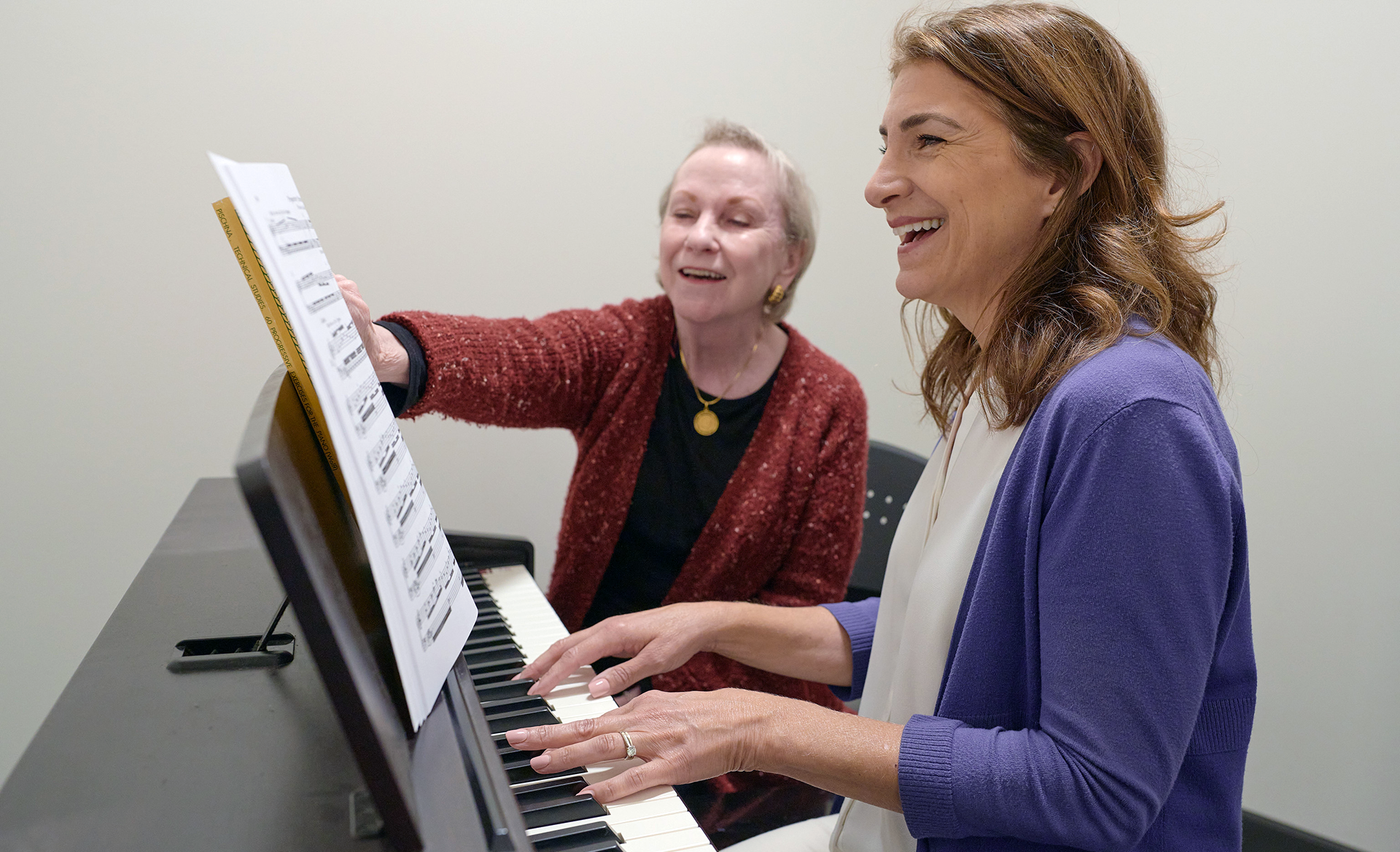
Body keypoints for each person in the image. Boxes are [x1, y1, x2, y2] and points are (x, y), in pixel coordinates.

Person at [506, 4, 1256, 851]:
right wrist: (710, 620)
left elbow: (1093, 791)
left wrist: (760, 727)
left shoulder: (1129, 416)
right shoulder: (1005, 377)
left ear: (1063, 173)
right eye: (886, 142)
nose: (878, 184)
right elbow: (931, 624)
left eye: (927, 141)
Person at [337, 121, 868, 845]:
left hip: (736, 748)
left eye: (736, 219)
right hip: (578, 691)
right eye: (683, 213)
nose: (700, 236)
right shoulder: (628, 344)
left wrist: (650, 701)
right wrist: (391, 351)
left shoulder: (830, 401)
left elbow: (801, 617)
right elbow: (518, 355)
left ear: (790, 256)